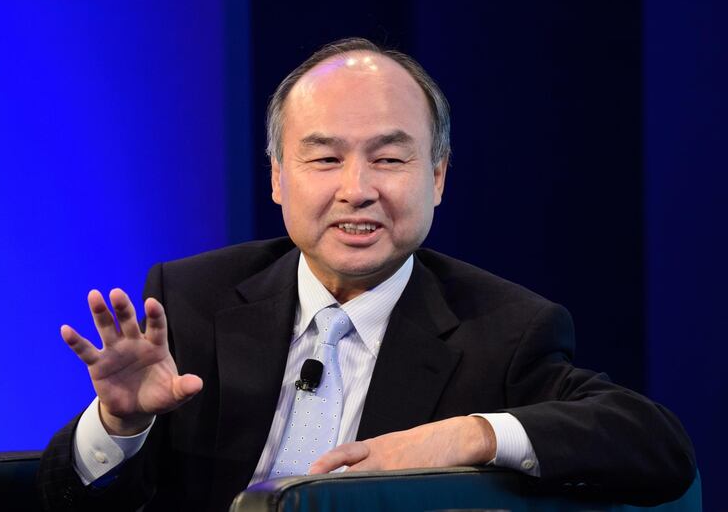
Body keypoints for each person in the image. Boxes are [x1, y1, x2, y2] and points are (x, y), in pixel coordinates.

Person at [38, 38, 695, 511]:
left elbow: (658, 448)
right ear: (277, 177)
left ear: (437, 178)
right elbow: (68, 499)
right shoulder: (189, 302)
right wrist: (119, 425)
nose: (357, 190)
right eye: (324, 158)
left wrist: (470, 436)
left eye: (388, 158)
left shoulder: (504, 330)